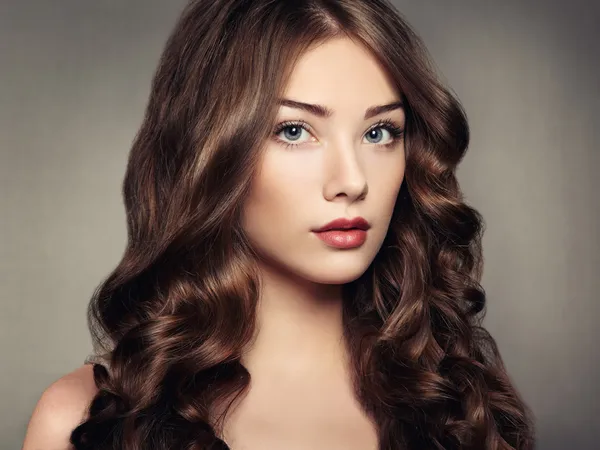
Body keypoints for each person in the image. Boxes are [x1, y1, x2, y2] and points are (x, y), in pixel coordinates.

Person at [22, 0, 535, 449]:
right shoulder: (86, 421)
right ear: (211, 150)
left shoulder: (460, 409)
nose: (351, 181)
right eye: (294, 130)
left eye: (379, 132)